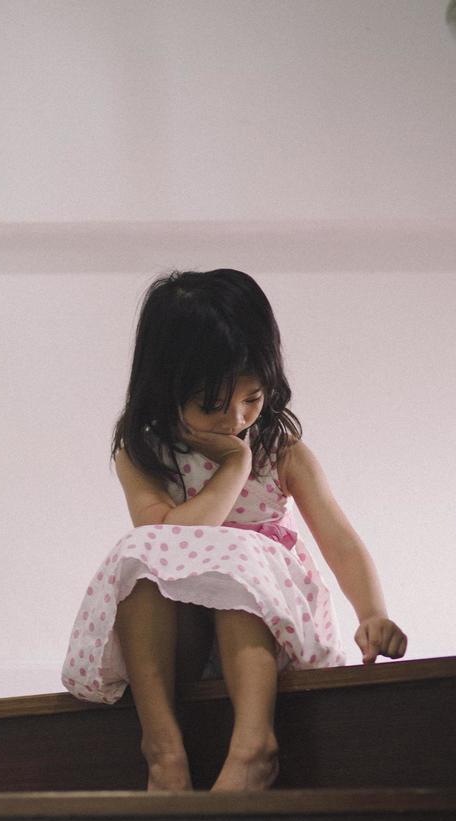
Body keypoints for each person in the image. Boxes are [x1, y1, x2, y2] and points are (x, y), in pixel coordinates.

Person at [61, 269, 408, 792]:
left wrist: (373, 612)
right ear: (165, 390)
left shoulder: (282, 453)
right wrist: (232, 468)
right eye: (211, 405)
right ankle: (163, 750)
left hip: (268, 636)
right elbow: (176, 538)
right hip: (180, 643)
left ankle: (253, 746)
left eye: (252, 398)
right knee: (142, 554)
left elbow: (339, 538)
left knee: (235, 557)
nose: (236, 420)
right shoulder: (142, 456)